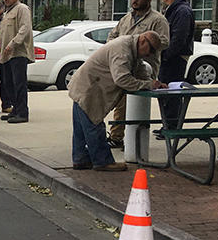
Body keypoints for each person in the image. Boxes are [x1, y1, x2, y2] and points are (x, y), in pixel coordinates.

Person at [69, 31, 166, 171]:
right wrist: (148, 85)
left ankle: (81, 159)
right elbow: (122, 79)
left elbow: (139, 70)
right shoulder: (122, 50)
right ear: (143, 40)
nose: (150, 55)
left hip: (85, 86)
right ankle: (103, 161)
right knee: (94, 125)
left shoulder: (131, 48)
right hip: (89, 89)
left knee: (82, 128)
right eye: (151, 50)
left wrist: (152, 82)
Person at [105, 0, 169, 148]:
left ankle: (133, 139)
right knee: (120, 101)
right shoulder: (126, 18)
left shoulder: (157, 19)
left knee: (134, 103)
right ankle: (117, 136)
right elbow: (112, 35)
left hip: (144, 67)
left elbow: (165, 42)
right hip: (124, 64)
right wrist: (120, 46)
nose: (134, 1)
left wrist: (143, 42)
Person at [157, 0, 194, 136]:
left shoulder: (182, 11)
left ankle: (172, 126)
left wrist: (165, 55)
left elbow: (179, 37)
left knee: (171, 91)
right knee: (166, 90)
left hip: (175, 58)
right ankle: (167, 124)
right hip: (170, 56)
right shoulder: (173, 9)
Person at [0, 0, 34, 123]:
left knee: (19, 83)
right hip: (6, 54)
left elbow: (25, 28)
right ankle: (15, 109)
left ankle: (23, 113)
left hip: (18, 53)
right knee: (8, 83)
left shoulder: (22, 9)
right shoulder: (7, 12)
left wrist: (13, 43)